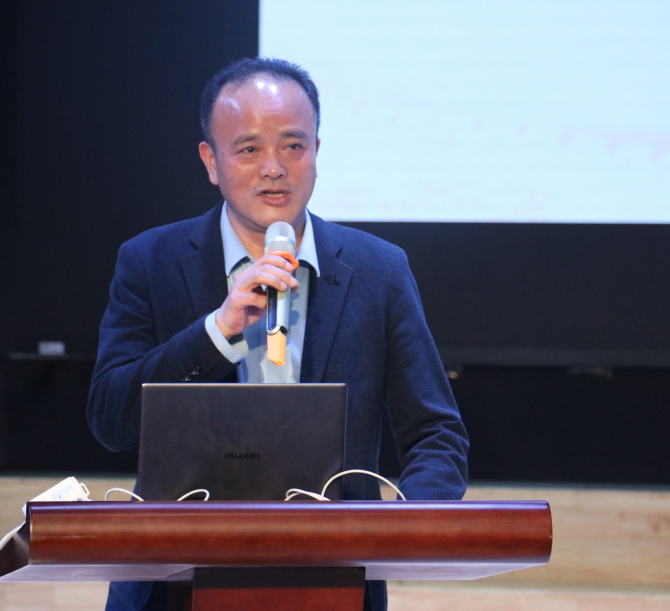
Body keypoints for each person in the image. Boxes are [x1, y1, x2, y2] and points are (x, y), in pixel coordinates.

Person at [87, 57, 469, 611]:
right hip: (173, 586)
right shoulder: (151, 261)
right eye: (249, 149)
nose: (274, 168)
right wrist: (217, 332)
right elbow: (109, 418)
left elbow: (436, 433)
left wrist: (399, 531)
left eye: (294, 146)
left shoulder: (379, 270)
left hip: (332, 585)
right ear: (211, 161)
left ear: (317, 152)